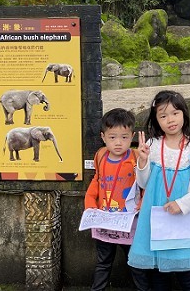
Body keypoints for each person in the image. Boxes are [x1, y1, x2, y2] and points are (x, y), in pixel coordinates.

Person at [127, 90, 190, 291]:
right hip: (157, 215)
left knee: (188, 276)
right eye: (163, 115)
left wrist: (182, 204)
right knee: (158, 275)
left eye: (175, 113)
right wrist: (142, 161)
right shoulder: (152, 146)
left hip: (185, 217)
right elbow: (143, 183)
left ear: (184, 114)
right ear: (156, 120)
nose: (170, 120)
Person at [84, 108, 150, 291]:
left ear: (132, 136)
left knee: (136, 263)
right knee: (103, 262)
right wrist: (90, 205)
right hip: (104, 220)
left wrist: (143, 202)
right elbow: (97, 181)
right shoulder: (100, 156)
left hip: (130, 221)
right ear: (103, 137)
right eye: (112, 137)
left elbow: (145, 183)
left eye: (124, 137)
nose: (118, 143)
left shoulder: (136, 157)